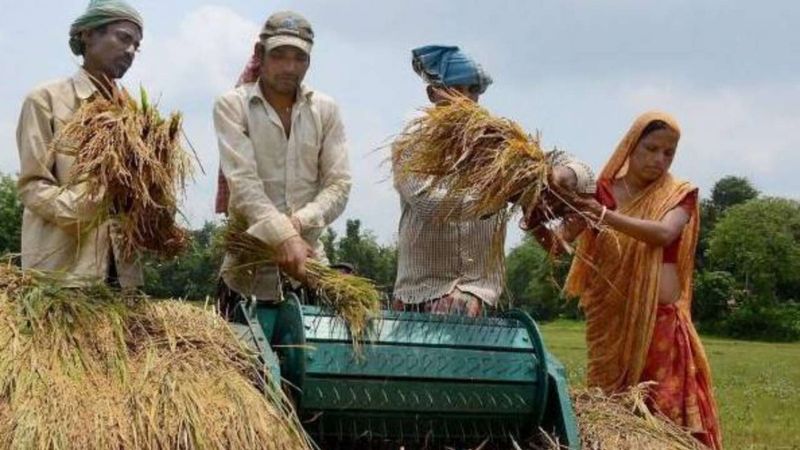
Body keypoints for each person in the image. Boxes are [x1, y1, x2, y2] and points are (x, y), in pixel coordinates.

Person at [391, 45, 595, 317]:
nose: (466, 99)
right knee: (451, 312)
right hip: (421, 291)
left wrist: (560, 174)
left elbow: (586, 175)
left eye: (473, 90)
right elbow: (431, 205)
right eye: (455, 89)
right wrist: (501, 193)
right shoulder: (411, 147)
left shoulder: (499, 145)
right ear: (433, 94)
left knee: (463, 311)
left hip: (480, 293)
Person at [559, 112, 722, 449]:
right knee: (609, 418)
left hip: (659, 327)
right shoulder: (601, 193)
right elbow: (559, 243)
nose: (659, 159)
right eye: (651, 149)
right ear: (630, 147)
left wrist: (605, 216)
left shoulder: (678, 195)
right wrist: (535, 214)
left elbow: (663, 234)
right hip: (609, 325)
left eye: (668, 153)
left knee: (664, 423)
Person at [214, 11, 351, 314]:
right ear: (260, 54)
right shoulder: (233, 106)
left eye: (299, 58)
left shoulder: (325, 110)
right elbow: (244, 185)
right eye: (279, 56)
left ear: (309, 61)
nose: (290, 67)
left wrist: (297, 224)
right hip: (246, 275)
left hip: (310, 270)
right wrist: (284, 237)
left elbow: (339, 185)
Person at [16, 0, 144, 287]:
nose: (130, 51)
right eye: (123, 38)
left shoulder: (134, 115)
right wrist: (88, 205)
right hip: (63, 272)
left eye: (136, 46)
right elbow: (32, 186)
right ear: (88, 34)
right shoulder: (46, 99)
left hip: (123, 274)